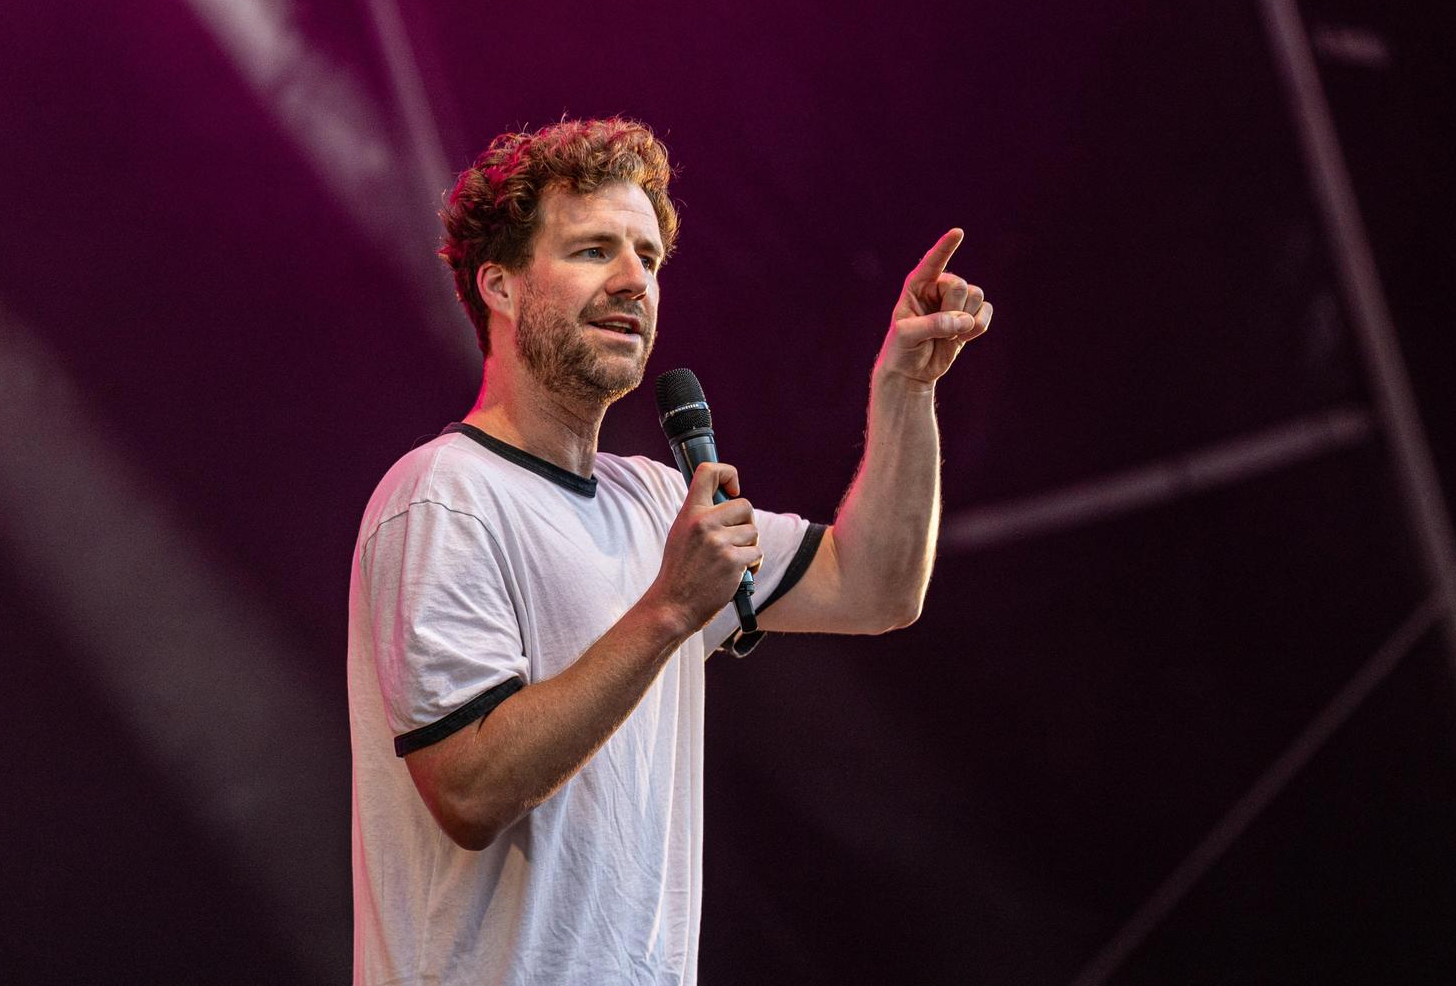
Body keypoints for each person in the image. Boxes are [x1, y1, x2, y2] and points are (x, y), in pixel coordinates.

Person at [347, 117, 992, 985]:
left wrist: (906, 388)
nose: (633, 282)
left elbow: (874, 585)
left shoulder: (656, 500)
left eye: (648, 257)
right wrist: (670, 610)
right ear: (498, 286)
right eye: (592, 251)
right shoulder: (442, 498)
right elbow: (468, 790)